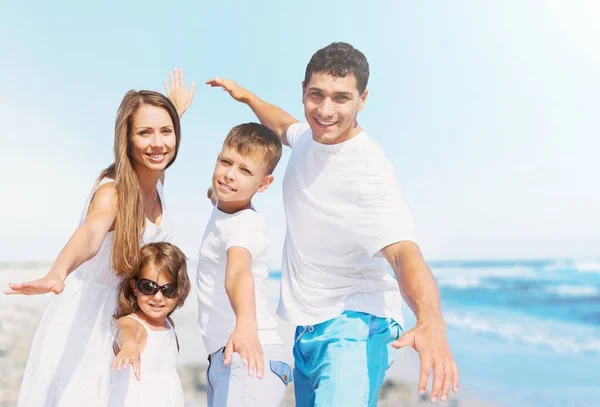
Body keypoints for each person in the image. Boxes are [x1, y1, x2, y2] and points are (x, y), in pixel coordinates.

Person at [201, 42, 459, 406]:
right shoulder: (308, 137)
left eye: (341, 98)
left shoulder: (369, 172)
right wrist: (247, 98)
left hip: (356, 325)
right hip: (308, 329)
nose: (325, 110)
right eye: (315, 95)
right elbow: (280, 123)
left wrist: (430, 318)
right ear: (303, 91)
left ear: (362, 99)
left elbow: (404, 253)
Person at [4, 87, 184, 406]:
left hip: (125, 313)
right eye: (145, 132)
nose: (158, 142)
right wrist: (58, 272)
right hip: (87, 319)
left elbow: (159, 147)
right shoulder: (113, 193)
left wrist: (176, 111)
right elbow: (91, 231)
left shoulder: (156, 181)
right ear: (127, 140)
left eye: (166, 131)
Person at [196, 123, 291, 406]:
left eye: (245, 171)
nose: (229, 174)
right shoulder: (223, 206)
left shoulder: (243, 225)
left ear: (263, 184)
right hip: (226, 355)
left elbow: (239, 273)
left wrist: (246, 324)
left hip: (248, 352)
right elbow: (213, 193)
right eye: (225, 162)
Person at [109, 242, 191, 407]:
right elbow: (125, 332)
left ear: (180, 290)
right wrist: (129, 346)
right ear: (135, 287)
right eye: (148, 287)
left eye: (168, 289)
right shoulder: (132, 322)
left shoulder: (169, 324)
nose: (158, 297)